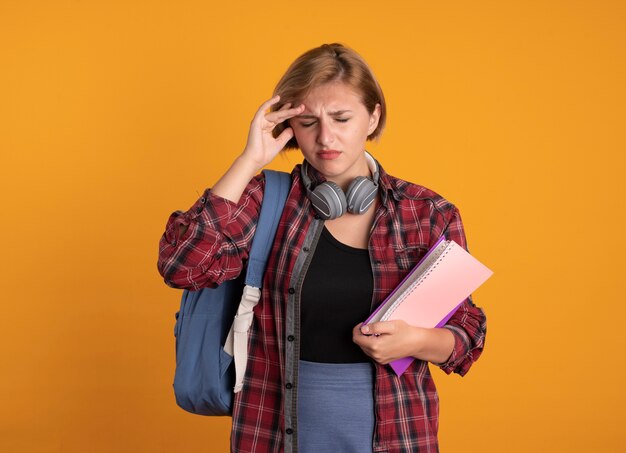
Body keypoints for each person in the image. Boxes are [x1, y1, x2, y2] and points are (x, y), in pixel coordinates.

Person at [158, 43, 487, 453]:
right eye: (308, 122)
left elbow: (468, 332)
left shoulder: (426, 213)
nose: (325, 137)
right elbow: (182, 266)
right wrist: (249, 160)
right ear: (289, 127)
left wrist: (416, 342)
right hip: (274, 435)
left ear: (373, 117)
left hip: (397, 435)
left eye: (342, 118)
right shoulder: (267, 201)